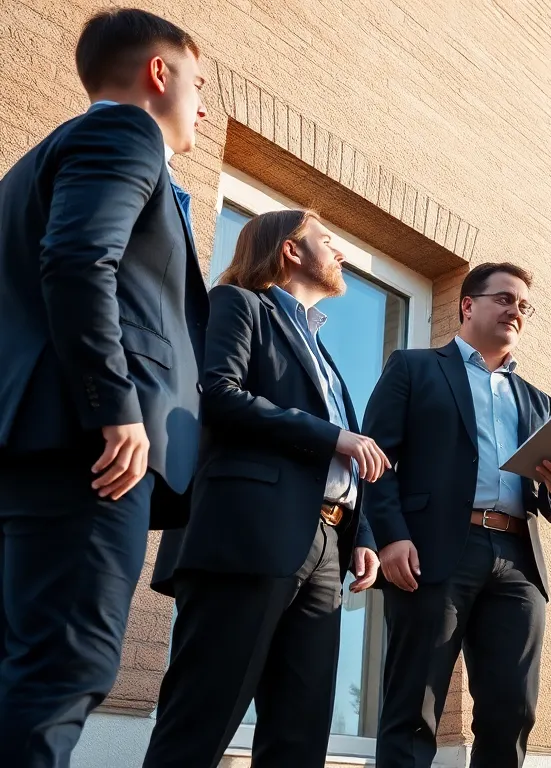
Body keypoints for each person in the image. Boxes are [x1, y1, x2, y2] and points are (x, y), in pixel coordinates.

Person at [0, 9, 208, 764]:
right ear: (160, 73)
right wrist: (116, 407)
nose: (203, 106)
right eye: (199, 83)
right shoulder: (123, 133)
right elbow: (80, 262)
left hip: (36, 445)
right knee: (63, 667)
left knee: (23, 664)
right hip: (91, 453)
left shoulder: (30, 164)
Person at [142, 209, 387, 767]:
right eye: (328, 239)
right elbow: (220, 395)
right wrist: (335, 437)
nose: (341, 251)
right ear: (290, 251)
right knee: (202, 717)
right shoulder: (238, 304)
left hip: (328, 546)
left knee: (300, 735)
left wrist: (364, 532)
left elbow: (339, 465)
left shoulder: (326, 353)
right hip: (247, 534)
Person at [363, 261, 551, 768]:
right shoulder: (414, 368)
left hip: (517, 561)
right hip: (434, 551)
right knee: (413, 707)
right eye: (505, 299)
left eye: (524, 306)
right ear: (467, 304)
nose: (516, 311)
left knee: (512, 711)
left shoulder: (537, 400)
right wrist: (390, 535)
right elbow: (376, 460)